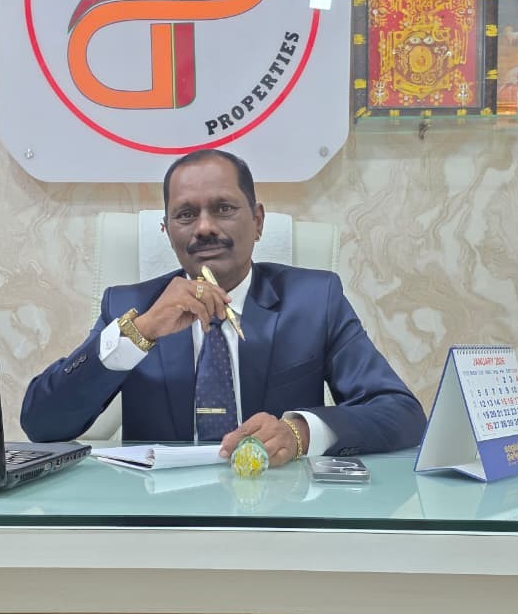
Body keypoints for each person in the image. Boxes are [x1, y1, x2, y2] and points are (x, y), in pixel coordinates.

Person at [21, 149, 426, 466]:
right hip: (161, 520)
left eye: (223, 209)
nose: (204, 227)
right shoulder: (131, 308)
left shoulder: (315, 300)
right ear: (167, 231)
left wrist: (300, 432)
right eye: (185, 215)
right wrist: (140, 333)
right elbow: (43, 425)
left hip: (279, 510)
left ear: (258, 220)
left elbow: (401, 413)